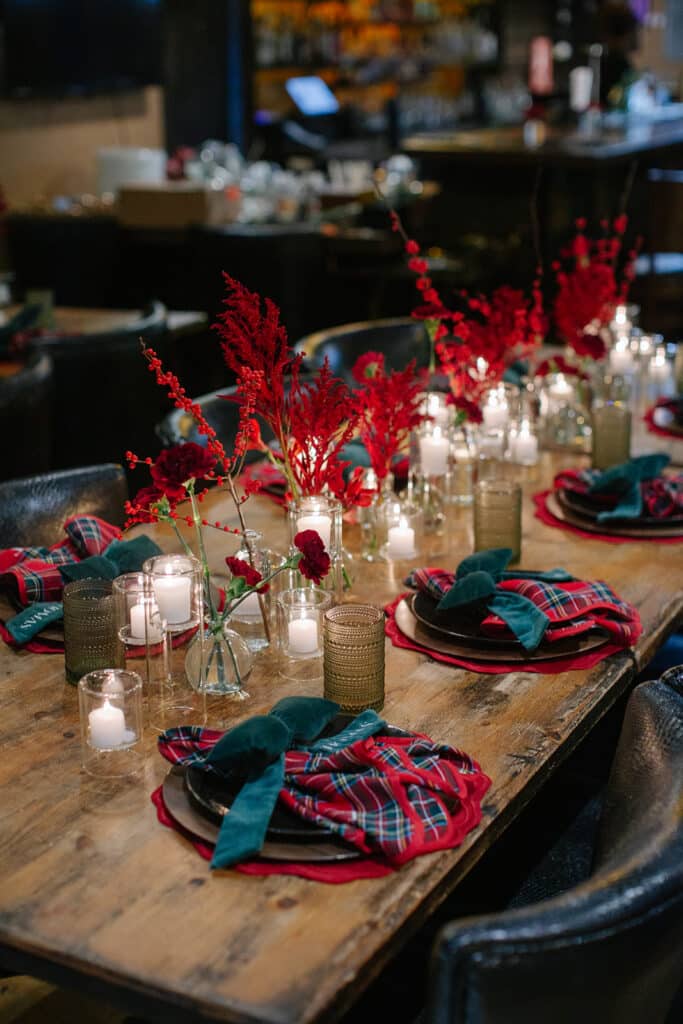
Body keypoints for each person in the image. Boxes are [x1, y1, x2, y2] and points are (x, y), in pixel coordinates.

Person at [599, 2, 639, 106]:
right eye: (634, 32)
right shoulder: (616, 66)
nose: (637, 38)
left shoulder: (608, 63)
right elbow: (614, 101)